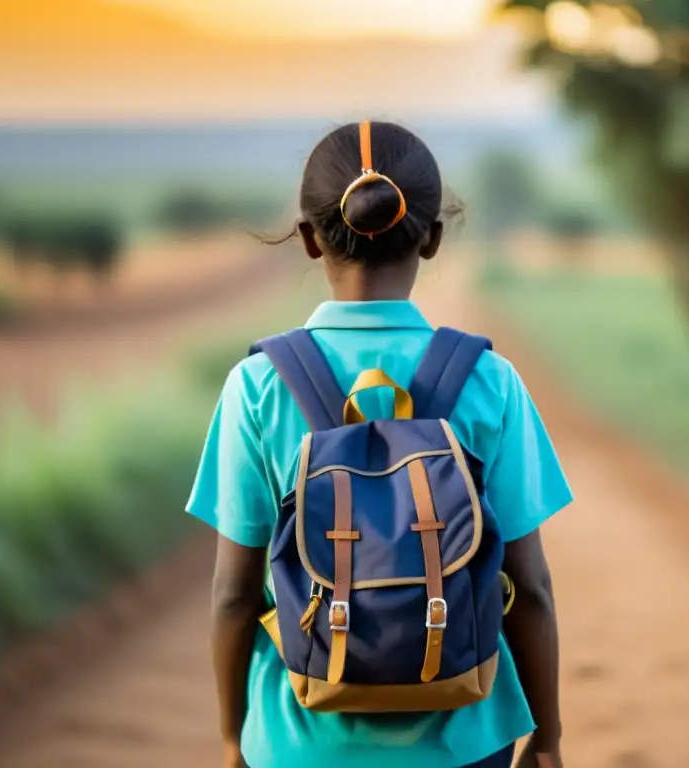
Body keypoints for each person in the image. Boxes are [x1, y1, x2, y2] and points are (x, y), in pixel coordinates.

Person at [186, 120, 572, 768]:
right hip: (464, 741)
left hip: (295, 742)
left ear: (310, 239)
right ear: (433, 237)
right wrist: (550, 737)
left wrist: (233, 737)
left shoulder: (258, 386)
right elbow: (528, 586)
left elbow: (233, 593)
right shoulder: (487, 381)